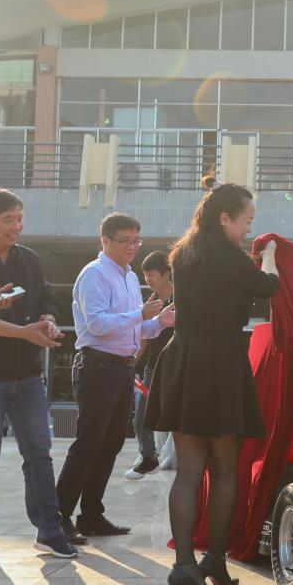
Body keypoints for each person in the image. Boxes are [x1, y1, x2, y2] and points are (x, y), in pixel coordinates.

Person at [144, 179, 279, 585]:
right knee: (224, 470)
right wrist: (270, 253)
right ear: (224, 218)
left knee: (188, 471)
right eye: (246, 221)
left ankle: (186, 564)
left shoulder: (183, 254)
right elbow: (269, 287)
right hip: (220, 363)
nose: (248, 228)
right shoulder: (233, 260)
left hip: (183, 360)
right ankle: (214, 560)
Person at [55, 213, 175, 541]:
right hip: (97, 366)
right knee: (88, 443)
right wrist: (140, 314)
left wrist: (160, 322)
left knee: (111, 444)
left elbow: (136, 328)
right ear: (105, 240)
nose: (132, 247)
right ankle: (58, 517)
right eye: (125, 241)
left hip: (122, 367)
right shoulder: (94, 274)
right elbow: (97, 324)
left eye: (137, 240)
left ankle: (91, 516)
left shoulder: (128, 276)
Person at [0, 188, 80, 562]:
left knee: (39, 454)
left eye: (20, 218)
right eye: (9, 220)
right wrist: (24, 332)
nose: (17, 226)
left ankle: (50, 531)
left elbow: (47, 298)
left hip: (29, 377)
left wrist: (48, 320)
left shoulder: (30, 260)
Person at [125, 251, 175, 480]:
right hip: (153, 368)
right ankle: (148, 457)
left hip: (179, 368)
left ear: (166, 274)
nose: (148, 279)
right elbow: (143, 338)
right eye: (145, 275)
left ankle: (183, 460)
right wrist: (130, 362)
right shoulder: (149, 303)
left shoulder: (183, 298)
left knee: (179, 419)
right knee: (142, 418)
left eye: (152, 274)